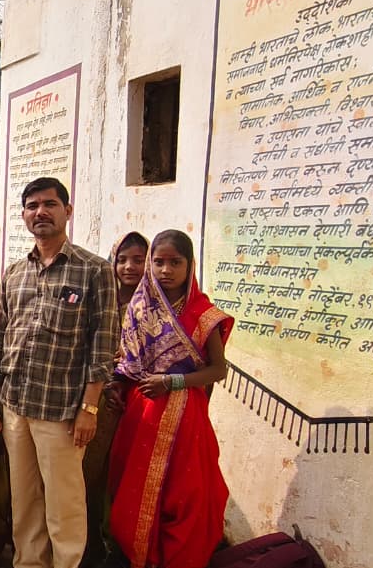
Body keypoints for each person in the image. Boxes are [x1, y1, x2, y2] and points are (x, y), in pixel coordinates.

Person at [0, 178, 118, 568]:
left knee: (64, 502)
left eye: (50, 204)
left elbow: (103, 345)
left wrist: (89, 409)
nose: (40, 212)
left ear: (67, 211)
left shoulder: (94, 270)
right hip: (16, 405)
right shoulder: (14, 273)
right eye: (32, 205)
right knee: (23, 499)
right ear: (23, 215)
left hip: (62, 410)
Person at [108, 230, 232, 568]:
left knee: (185, 493)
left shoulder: (204, 314)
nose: (166, 270)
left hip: (184, 414)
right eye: (159, 262)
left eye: (175, 262)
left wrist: (173, 381)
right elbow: (129, 362)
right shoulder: (139, 306)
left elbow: (218, 370)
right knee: (132, 485)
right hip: (142, 409)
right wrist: (119, 384)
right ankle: (139, 555)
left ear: (190, 265)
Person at [81, 231, 148, 568]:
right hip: (103, 402)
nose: (129, 266)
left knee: (131, 477)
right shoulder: (100, 301)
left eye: (138, 259)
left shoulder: (157, 308)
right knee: (91, 475)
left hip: (145, 404)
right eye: (122, 259)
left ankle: (125, 546)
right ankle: (91, 544)